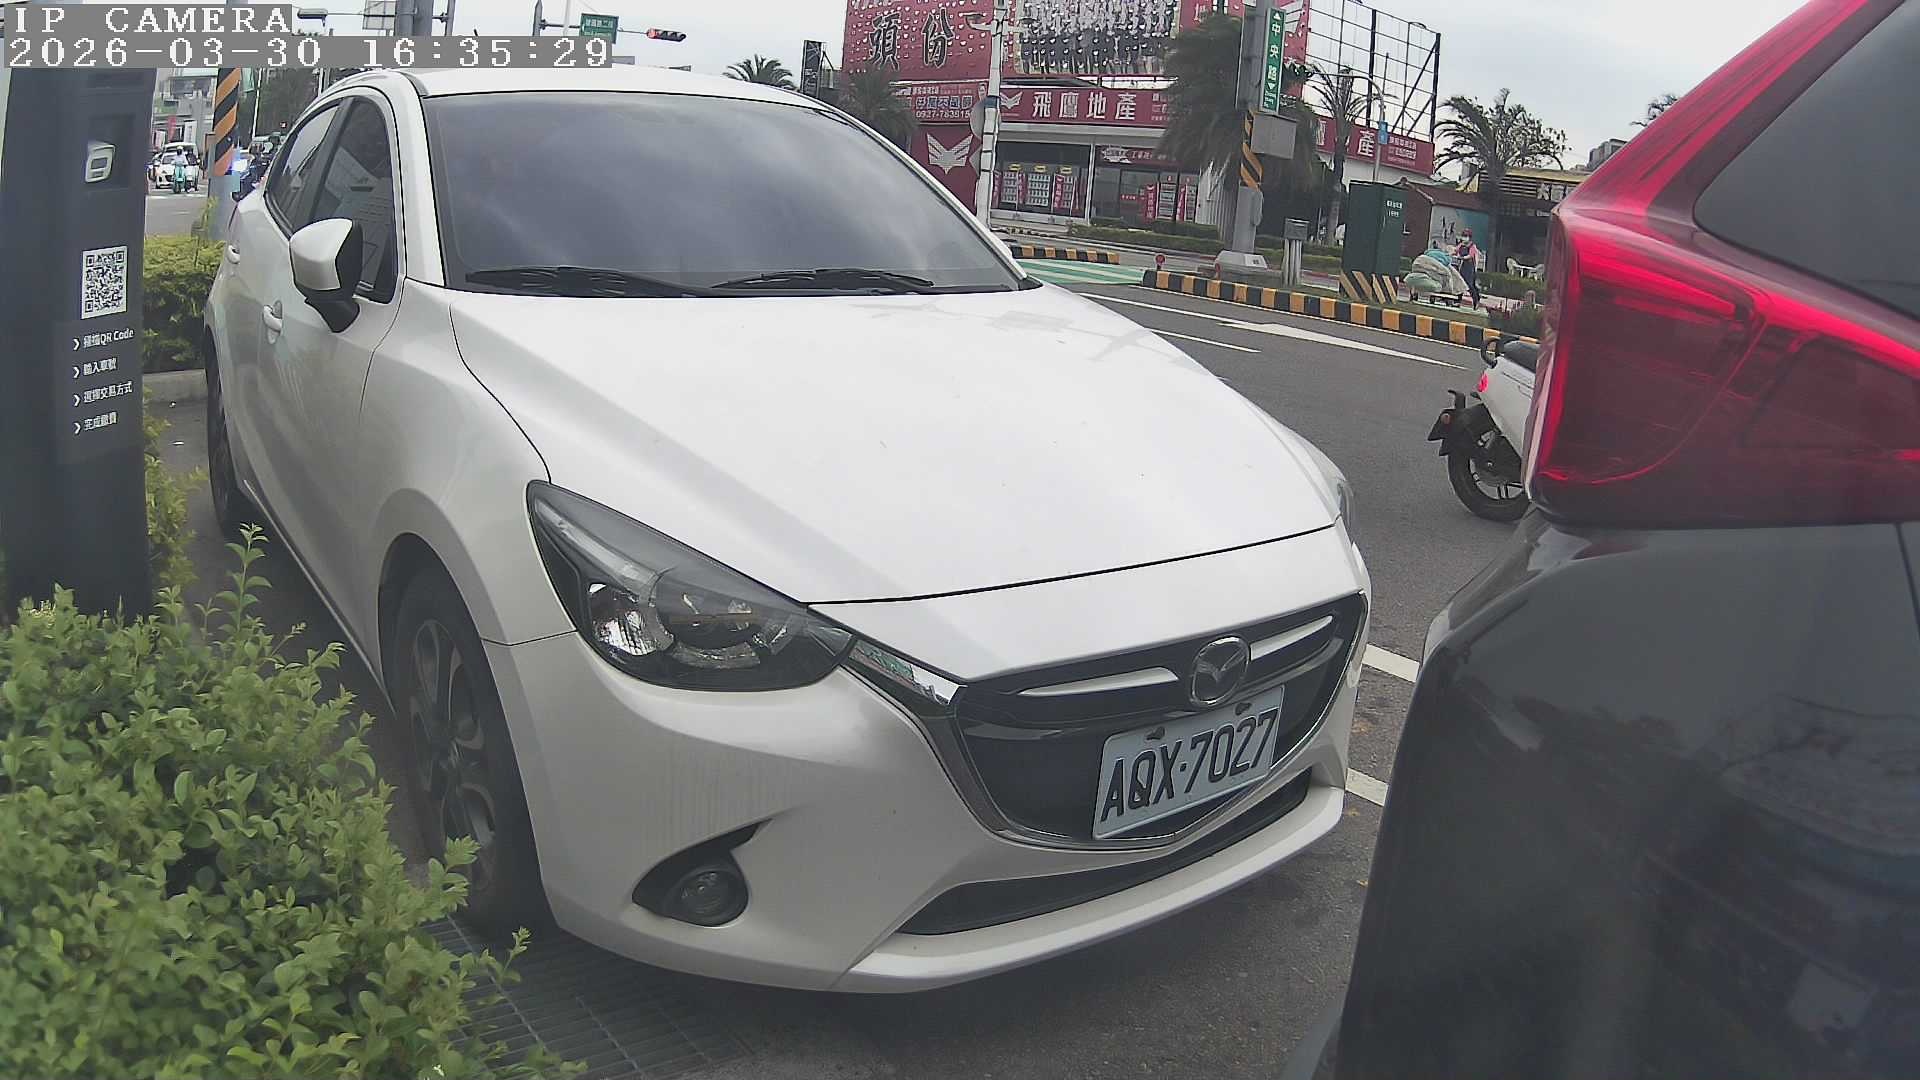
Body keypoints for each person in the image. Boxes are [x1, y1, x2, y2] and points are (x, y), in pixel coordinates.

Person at [1455, 230, 1483, 307]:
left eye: (1466, 236)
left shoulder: (1472, 246)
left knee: (1470, 285)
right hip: (1462, 266)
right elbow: (1455, 251)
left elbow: (1470, 255)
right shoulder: (1461, 245)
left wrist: (1462, 257)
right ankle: (1458, 300)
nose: (1464, 238)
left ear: (1469, 237)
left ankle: (1476, 300)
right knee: (1460, 283)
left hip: (1470, 267)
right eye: (1463, 236)